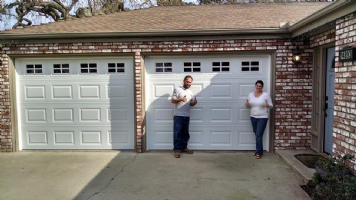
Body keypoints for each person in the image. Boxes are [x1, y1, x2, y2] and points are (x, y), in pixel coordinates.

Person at [171, 75, 198, 158]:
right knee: (177, 133)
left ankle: (184, 148)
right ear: (184, 81)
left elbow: (190, 104)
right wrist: (181, 99)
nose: (188, 83)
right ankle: (177, 150)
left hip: (187, 116)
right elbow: (172, 100)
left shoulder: (190, 92)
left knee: (185, 133)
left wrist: (194, 103)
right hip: (178, 116)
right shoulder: (177, 89)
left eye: (190, 82)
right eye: (187, 81)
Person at [245, 80, 273, 159]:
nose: (258, 87)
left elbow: (271, 106)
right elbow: (248, 105)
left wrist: (267, 105)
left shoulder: (266, 95)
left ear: (262, 87)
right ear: (255, 86)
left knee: (258, 135)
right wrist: (246, 105)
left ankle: (258, 152)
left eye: (260, 86)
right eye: (257, 86)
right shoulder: (250, 95)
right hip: (253, 116)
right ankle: (259, 150)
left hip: (262, 117)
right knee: (257, 134)